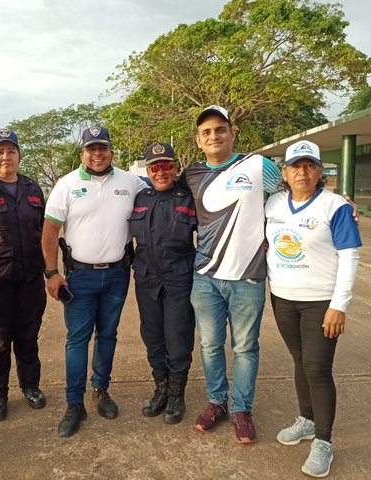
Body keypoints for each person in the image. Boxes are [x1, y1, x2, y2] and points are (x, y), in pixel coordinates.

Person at [179, 105, 282, 444]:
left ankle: (241, 409)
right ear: (198, 140)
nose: (214, 136)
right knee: (209, 345)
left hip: (248, 276)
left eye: (220, 129)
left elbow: (294, 193)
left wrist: (341, 201)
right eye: (207, 132)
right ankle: (216, 402)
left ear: (232, 132)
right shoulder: (191, 174)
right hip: (205, 275)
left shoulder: (258, 165)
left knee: (245, 347)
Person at [42, 126, 148, 437]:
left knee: (108, 336)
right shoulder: (67, 185)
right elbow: (49, 233)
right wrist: (51, 273)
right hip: (79, 277)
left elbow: (160, 191)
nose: (97, 154)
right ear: (82, 154)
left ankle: (101, 390)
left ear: (111, 152)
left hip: (117, 274)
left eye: (103, 148)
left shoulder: (131, 183)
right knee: (77, 340)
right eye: (91, 149)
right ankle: (74, 403)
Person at [266, 140, 361, 478]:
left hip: (321, 300)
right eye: (295, 166)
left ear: (321, 171)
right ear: (285, 172)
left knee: (318, 368)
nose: (302, 172)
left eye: (309, 165)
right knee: (299, 361)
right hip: (282, 297)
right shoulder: (273, 203)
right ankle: (306, 420)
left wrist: (339, 305)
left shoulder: (335, 206)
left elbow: (349, 255)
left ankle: (323, 441)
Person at [0, 128, 47, 421]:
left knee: (28, 339)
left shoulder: (33, 189)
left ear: (19, 155)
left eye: (11, 151)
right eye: (0, 152)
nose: (6, 157)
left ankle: (30, 387)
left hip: (31, 279)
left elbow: (44, 232)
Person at [129, 142, 197, 424]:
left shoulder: (190, 198)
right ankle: (161, 388)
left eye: (166, 165)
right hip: (146, 279)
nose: (161, 172)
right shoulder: (139, 198)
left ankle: (177, 394)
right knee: (153, 336)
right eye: (155, 167)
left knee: (178, 337)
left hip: (179, 279)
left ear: (175, 168)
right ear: (148, 170)